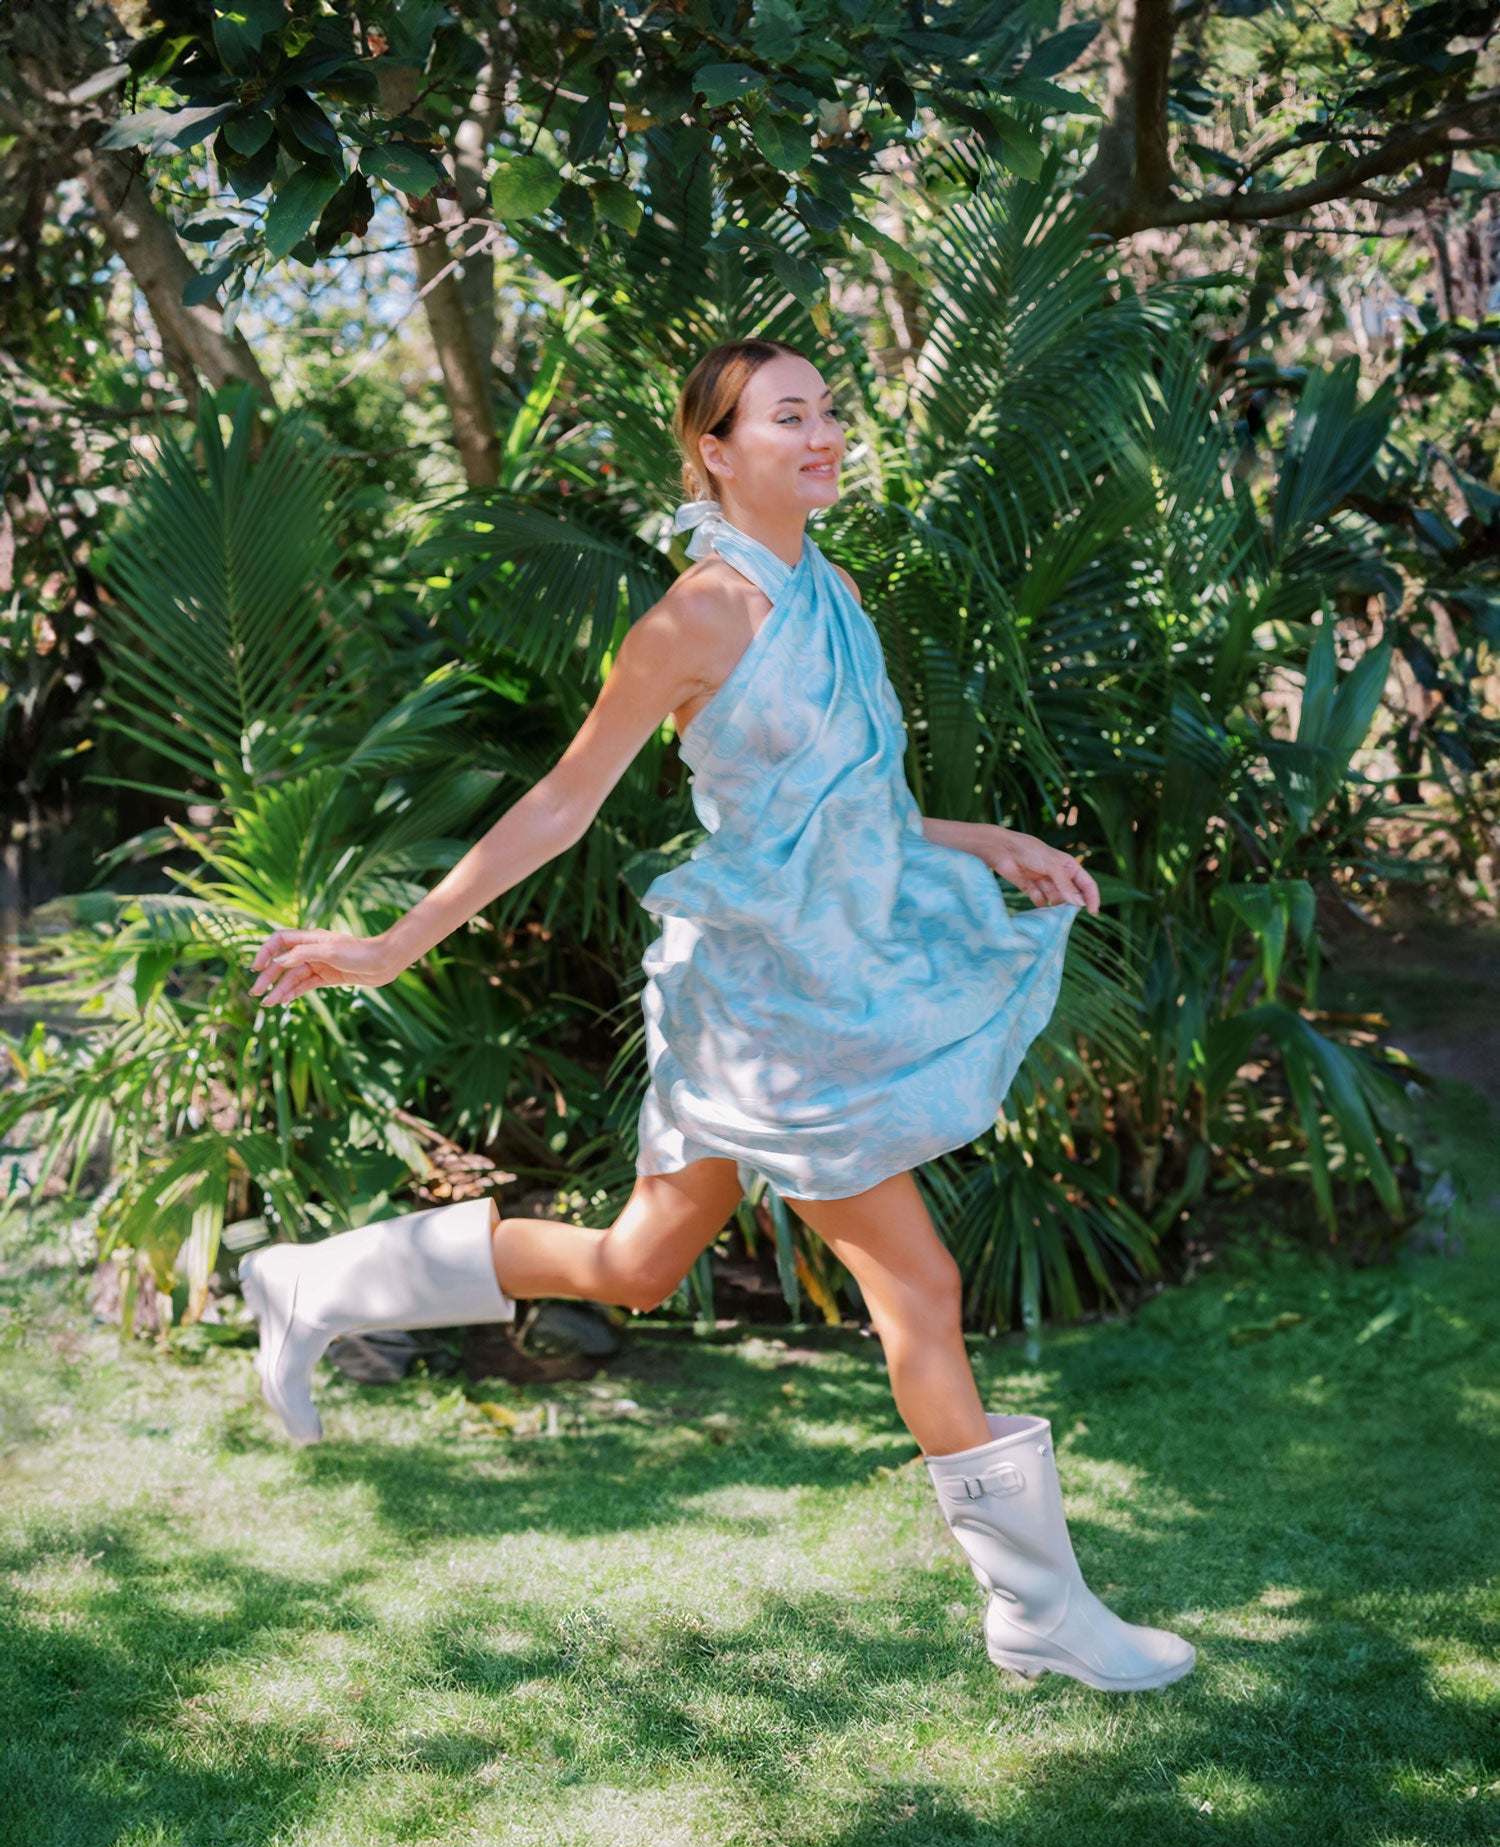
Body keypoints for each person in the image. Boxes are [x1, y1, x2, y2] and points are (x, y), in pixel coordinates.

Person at [241, 338, 1196, 1694]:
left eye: (828, 410)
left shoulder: (837, 591)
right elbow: (561, 802)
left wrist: (983, 839)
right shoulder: (695, 618)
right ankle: (1038, 1610)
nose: (823, 434)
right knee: (917, 1281)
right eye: (789, 415)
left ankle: (314, 1283)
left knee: (636, 1264)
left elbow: (853, 810)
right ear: (714, 450)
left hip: (823, 973)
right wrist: (391, 946)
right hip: (759, 1005)